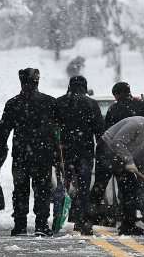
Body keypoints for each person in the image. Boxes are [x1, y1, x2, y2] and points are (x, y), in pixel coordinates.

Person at [82, 108, 144, 236]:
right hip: (107, 150)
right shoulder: (136, 124)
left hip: (122, 157)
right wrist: (129, 161)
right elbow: (118, 142)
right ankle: (86, 224)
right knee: (100, 186)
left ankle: (128, 225)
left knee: (131, 189)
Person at [0, 68, 58, 237]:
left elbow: (3, 131)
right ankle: (42, 225)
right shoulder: (50, 102)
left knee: (20, 189)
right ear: (37, 82)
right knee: (43, 189)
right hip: (43, 155)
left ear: (21, 83)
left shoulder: (13, 103)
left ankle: (20, 225)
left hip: (21, 155)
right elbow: (59, 130)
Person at [101, 82, 144, 228]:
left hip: (123, 152)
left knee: (124, 184)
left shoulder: (114, 108)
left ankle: (124, 211)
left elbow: (108, 131)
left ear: (116, 95)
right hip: (141, 151)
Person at [53, 76, 104, 232]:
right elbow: (99, 130)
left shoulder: (59, 102)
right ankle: (80, 220)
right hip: (85, 152)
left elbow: (52, 127)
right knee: (83, 188)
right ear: (85, 87)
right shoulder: (91, 103)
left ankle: (57, 218)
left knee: (62, 187)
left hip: (63, 152)